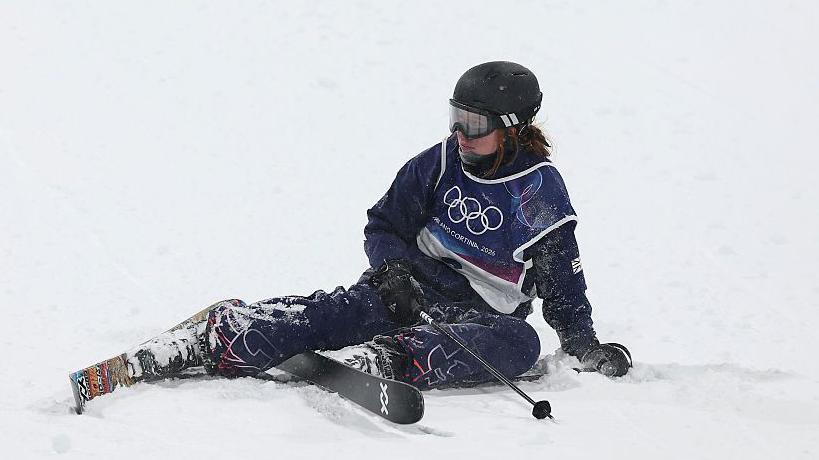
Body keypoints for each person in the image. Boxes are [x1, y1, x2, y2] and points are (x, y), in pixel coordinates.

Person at [130, 61, 632, 389]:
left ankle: (383, 362)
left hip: (476, 317)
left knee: (520, 345)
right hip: (406, 289)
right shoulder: (437, 163)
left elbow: (564, 284)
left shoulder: (539, 193)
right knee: (342, 311)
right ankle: (223, 336)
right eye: (455, 117)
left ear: (513, 127)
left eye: (475, 124)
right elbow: (383, 224)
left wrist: (583, 342)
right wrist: (393, 269)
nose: (460, 134)